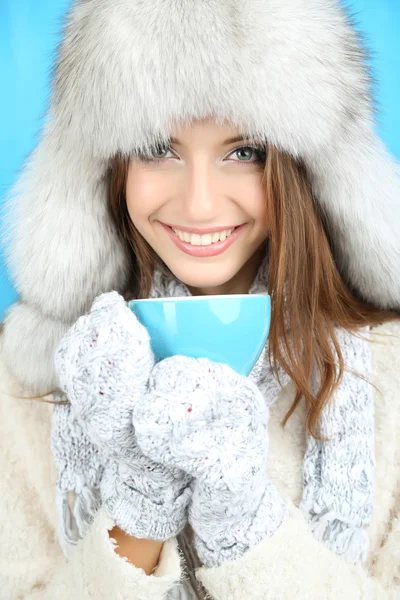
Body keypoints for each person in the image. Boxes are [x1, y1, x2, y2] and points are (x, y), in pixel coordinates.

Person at [0, 0, 399, 598]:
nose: (201, 205)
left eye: (245, 152)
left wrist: (244, 527)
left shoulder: (389, 365)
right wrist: (138, 509)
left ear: (306, 170)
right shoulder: (28, 376)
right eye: (159, 148)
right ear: (106, 167)